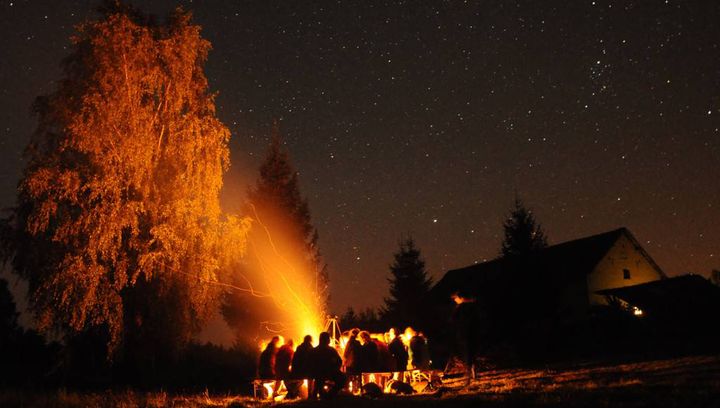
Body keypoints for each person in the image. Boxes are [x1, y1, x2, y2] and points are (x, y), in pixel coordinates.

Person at [309, 332, 346, 399]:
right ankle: (330, 394)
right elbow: (339, 361)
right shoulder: (331, 350)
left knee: (319, 379)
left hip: (317, 373)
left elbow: (310, 364)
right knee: (343, 378)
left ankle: (321, 393)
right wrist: (335, 368)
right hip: (330, 372)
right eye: (328, 338)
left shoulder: (314, 350)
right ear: (326, 340)